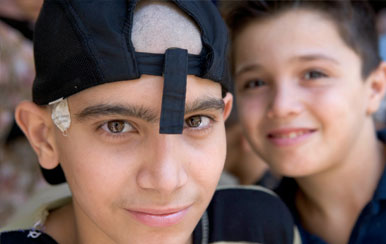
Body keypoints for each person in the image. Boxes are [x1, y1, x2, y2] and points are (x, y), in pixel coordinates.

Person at [1, 0, 299, 243]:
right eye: (116, 126)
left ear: (223, 118)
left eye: (196, 121)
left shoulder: (259, 227)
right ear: (44, 136)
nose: (166, 181)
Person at [223, 1, 386, 243]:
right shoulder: (251, 230)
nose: (281, 106)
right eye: (255, 83)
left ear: (375, 88)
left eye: (314, 74)